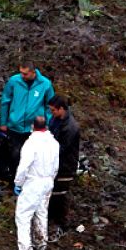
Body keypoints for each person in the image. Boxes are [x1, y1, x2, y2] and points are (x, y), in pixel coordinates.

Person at [13, 115, 60, 250]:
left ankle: (25, 248)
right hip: (48, 181)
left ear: (32, 126)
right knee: (41, 212)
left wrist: (18, 183)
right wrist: (51, 179)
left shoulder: (31, 144)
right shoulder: (54, 143)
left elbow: (24, 166)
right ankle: (41, 244)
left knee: (23, 214)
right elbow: (56, 166)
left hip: (34, 181)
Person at [0, 62, 56, 172]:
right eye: (21, 73)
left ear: (33, 72)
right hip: (15, 125)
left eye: (25, 74)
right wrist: (3, 122)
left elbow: (50, 107)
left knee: (32, 157)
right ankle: (14, 179)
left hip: (35, 128)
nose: (22, 76)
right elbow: (5, 102)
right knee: (14, 154)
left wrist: (48, 125)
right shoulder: (14, 81)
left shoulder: (45, 84)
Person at [47, 94, 81, 228]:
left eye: (53, 110)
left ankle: (62, 221)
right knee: (52, 191)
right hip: (55, 162)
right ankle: (51, 217)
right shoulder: (55, 120)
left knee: (60, 194)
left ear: (61, 109)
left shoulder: (70, 127)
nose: (51, 113)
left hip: (65, 165)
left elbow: (61, 148)